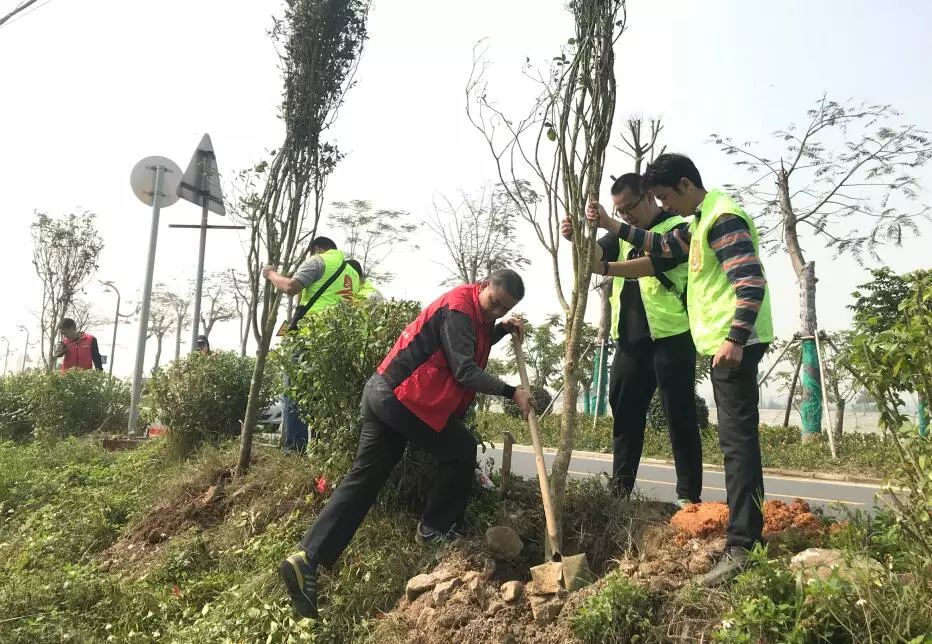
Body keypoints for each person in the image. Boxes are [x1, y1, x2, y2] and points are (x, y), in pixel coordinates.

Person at [278, 269, 534, 619]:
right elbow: (464, 369)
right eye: (494, 303)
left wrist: (502, 330)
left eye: (503, 309)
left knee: (365, 479)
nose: (495, 311)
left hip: (385, 394)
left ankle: (306, 560)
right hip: (400, 398)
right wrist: (511, 392)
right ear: (484, 285)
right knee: (460, 448)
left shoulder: (471, 311)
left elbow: (475, 338)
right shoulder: (459, 309)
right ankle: (435, 530)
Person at [588, 153, 773, 586]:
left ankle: (743, 544)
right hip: (719, 346)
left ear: (687, 186)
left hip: (732, 347)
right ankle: (743, 536)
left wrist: (735, 338)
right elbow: (662, 248)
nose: (665, 205)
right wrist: (607, 229)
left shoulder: (722, 218)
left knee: (737, 444)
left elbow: (750, 281)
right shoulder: (699, 220)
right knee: (734, 442)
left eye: (666, 196)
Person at [561, 173, 702, 507]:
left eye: (629, 208)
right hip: (630, 342)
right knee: (624, 416)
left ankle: (688, 498)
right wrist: (577, 239)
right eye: (619, 211)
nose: (625, 216)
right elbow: (596, 258)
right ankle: (620, 493)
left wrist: (609, 243)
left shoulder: (676, 230)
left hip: (672, 337)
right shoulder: (620, 236)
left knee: (679, 416)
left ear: (649, 196)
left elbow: (649, 265)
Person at [263, 236, 360, 453]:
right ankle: (323, 451)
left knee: (293, 391)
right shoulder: (352, 274)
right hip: (336, 341)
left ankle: (294, 451)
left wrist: (270, 274)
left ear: (317, 248)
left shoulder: (319, 261)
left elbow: (290, 287)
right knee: (324, 395)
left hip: (309, 337)